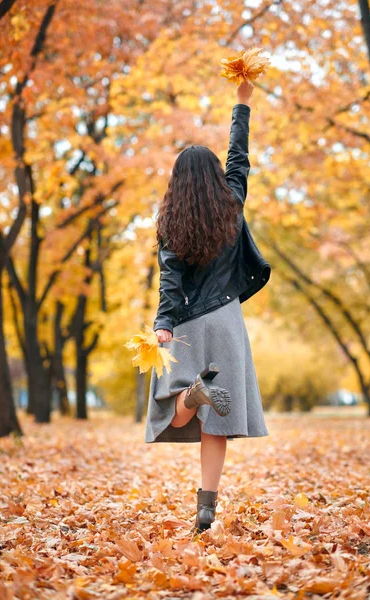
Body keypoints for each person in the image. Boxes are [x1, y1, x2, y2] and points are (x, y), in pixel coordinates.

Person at [145, 80, 271, 533]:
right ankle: (207, 508)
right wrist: (242, 104)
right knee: (215, 426)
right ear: (215, 176)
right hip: (226, 321)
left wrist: (163, 324)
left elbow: (170, 279)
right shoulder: (231, 204)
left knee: (171, 404)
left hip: (187, 325)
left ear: (178, 182)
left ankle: (191, 392)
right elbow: (240, 159)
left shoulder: (171, 223)